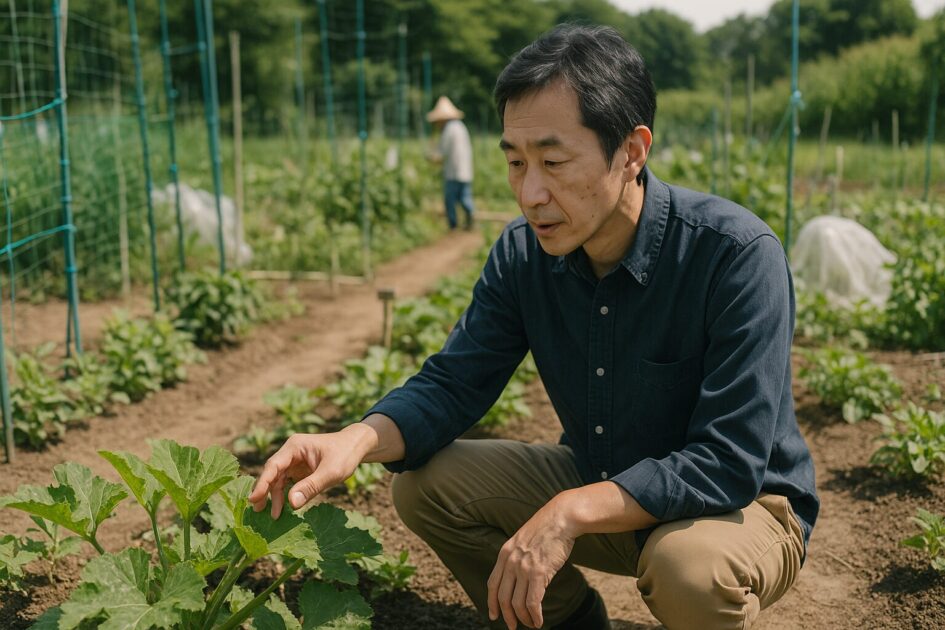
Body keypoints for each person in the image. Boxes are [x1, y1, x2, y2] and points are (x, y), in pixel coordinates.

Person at [250, 24, 819, 630]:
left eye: (552, 162)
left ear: (631, 152)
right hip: (603, 482)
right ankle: (571, 621)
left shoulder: (734, 254)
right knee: (425, 485)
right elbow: (454, 382)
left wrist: (570, 511)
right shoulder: (525, 254)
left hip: (737, 508)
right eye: (516, 163)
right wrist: (354, 440)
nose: (530, 193)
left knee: (689, 570)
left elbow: (726, 462)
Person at [427, 95, 476, 230]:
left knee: (450, 199)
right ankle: (470, 221)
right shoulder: (460, 126)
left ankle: (453, 225)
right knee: (465, 197)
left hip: (453, 171)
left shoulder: (448, 130)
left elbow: (443, 153)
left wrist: (432, 158)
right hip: (465, 170)